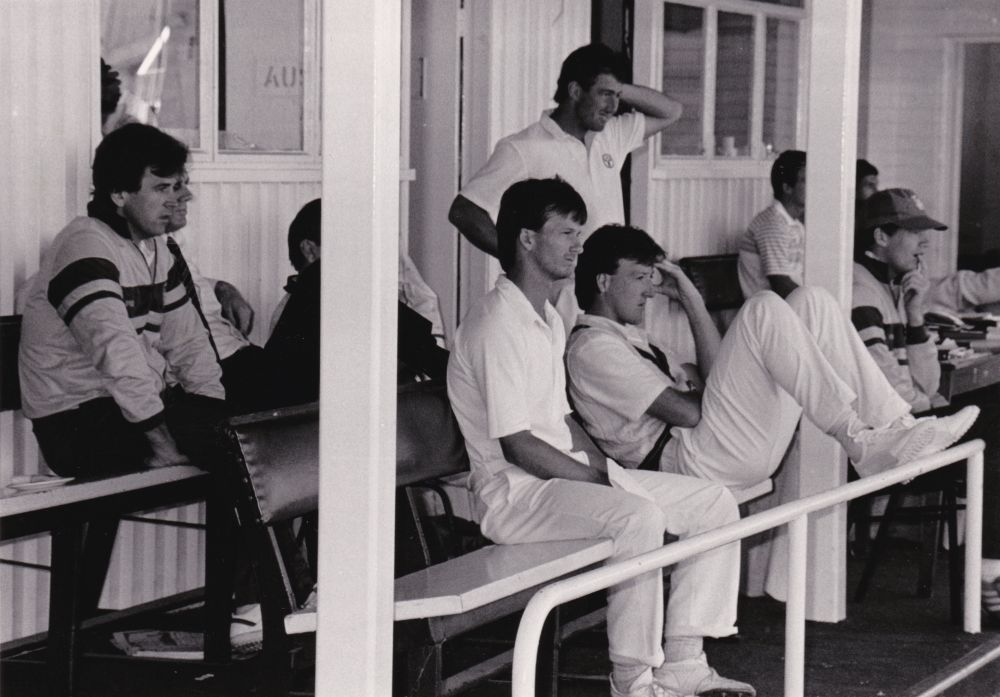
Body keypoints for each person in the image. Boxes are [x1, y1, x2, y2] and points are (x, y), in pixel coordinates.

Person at [447, 177, 755, 697]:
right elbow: (517, 445)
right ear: (526, 239)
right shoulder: (496, 322)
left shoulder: (543, 316)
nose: (577, 246)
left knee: (714, 503)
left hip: (557, 484)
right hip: (515, 495)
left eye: (579, 233)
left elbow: (563, 423)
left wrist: (608, 473)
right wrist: (601, 483)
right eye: (566, 232)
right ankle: (632, 680)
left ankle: (683, 662)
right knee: (637, 515)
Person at [17, 123, 238, 630]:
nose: (180, 198)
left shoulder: (159, 249)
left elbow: (191, 346)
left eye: (181, 184)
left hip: (121, 413)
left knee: (251, 440)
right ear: (119, 195)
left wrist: (217, 412)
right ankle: (252, 614)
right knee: (243, 454)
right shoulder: (84, 246)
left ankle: (240, 615)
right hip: (74, 423)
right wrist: (161, 440)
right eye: (162, 188)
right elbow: (115, 354)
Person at [565, 224, 978, 489]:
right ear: (603, 281)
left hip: (719, 445)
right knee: (763, 307)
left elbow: (709, 379)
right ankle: (860, 439)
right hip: (689, 461)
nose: (651, 290)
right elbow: (691, 412)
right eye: (639, 278)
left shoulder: (636, 339)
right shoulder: (594, 348)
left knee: (811, 301)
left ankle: (896, 428)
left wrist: (691, 298)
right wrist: (719, 383)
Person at [448, 42, 683, 332]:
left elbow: (671, 111)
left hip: (609, 292)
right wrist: (525, 261)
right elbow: (464, 212)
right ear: (575, 91)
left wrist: (616, 85)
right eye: (604, 94)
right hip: (561, 297)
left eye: (617, 96)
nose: (613, 107)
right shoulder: (523, 147)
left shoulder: (612, 134)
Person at [853, 187, 1000, 623]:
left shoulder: (896, 287)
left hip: (912, 420)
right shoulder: (860, 291)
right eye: (915, 232)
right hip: (887, 439)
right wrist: (928, 400)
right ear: (881, 236)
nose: (925, 242)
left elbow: (929, 382)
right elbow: (894, 395)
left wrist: (916, 317)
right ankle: (986, 566)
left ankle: (984, 558)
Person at [165, 179, 274, 414]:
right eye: (172, 187)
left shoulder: (168, 240)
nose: (187, 195)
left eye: (183, 184)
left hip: (234, 354)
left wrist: (222, 288)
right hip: (211, 373)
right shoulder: (129, 254)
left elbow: (187, 283)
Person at [737, 150, 807, 299]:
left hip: (789, 306)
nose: (815, 186)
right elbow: (781, 285)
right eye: (806, 180)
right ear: (787, 187)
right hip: (768, 310)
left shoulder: (795, 224)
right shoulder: (772, 224)